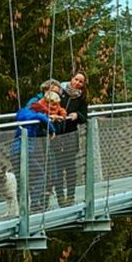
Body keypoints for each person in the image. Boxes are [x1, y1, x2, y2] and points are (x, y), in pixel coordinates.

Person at [12, 80, 60, 210]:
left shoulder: (22, 112)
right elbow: (43, 118)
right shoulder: (37, 114)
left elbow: (20, 115)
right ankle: (34, 203)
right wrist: (53, 131)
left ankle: (20, 208)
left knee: (21, 178)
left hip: (15, 150)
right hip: (27, 151)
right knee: (40, 175)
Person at [56, 70, 89, 204]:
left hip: (71, 136)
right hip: (57, 135)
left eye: (81, 82)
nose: (77, 83)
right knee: (57, 169)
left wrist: (77, 116)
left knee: (70, 168)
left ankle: (70, 197)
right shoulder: (60, 93)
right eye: (76, 79)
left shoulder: (81, 99)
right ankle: (60, 198)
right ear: (71, 79)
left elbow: (84, 117)